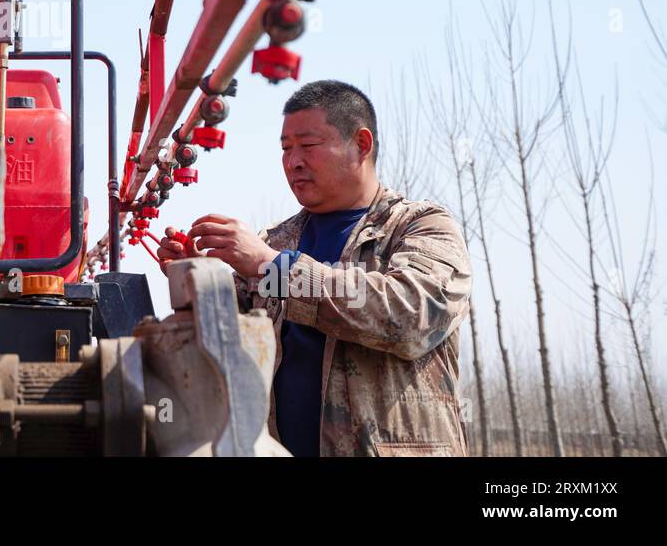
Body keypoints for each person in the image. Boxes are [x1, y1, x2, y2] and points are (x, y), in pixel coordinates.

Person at [159, 79, 472, 456]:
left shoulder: (421, 227)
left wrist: (271, 266)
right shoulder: (277, 240)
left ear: (362, 144)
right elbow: (230, 338)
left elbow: (409, 316)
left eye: (308, 146)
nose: (293, 161)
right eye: (286, 149)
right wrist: (201, 282)